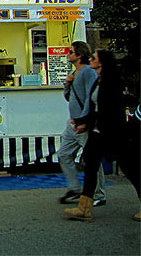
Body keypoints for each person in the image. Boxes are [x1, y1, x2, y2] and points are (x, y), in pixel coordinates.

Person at [64, 49, 140, 221]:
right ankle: (85, 208)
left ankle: (85, 207)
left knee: (130, 168)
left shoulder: (112, 82)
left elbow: (108, 110)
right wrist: (82, 121)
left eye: (93, 58)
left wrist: (85, 121)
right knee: (89, 163)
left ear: (101, 62)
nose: (90, 59)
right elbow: (94, 107)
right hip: (99, 131)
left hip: (113, 132)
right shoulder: (98, 81)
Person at [57, 41, 106, 205]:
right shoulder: (75, 73)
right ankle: (76, 187)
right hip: (73, 122)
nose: (68, 55)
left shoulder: (86, 72)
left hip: (82, 124)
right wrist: (67, 85)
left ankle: (98, 194)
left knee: (92, 160)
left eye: (71, 52)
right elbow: (69, 98)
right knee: (64, 154)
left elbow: (90, 98)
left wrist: (84, 120)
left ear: (79, 55)